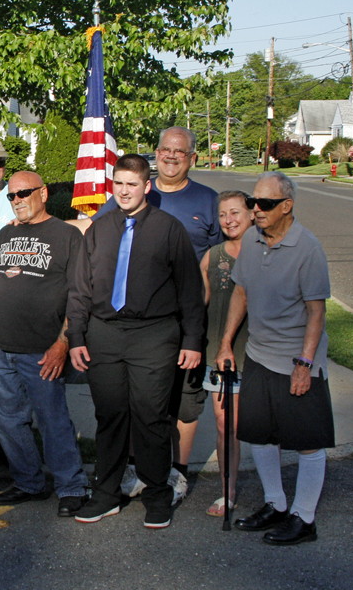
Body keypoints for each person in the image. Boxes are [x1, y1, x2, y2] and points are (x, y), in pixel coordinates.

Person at [69, 154, 205, 530]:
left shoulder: (169, 229)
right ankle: (107, 493)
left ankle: (157, 493)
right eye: (119, 184)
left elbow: (190, 291)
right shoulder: (100, 227)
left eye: (132, 184)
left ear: (147, 186)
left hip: (154, 335)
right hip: (105, 333)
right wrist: (77, 336)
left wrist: (192, 340)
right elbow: (80, 287)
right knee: (110, 416)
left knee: (151, 417)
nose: (124, 191)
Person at [100, 127, 221, 502]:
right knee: (143, 399)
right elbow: (95, 231)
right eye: (166, 150)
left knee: (184, 401)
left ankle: (178, 472)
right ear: (156, 154)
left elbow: (226, 254)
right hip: (146, 325)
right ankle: (139, 468)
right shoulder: (131, 198)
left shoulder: (207, 200)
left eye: (180, 152)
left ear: (192, 158)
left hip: (190, 317)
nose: (171, 156)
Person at [222, 172, 334, 546]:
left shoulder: (308, 248)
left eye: (265, 204)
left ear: (287, 206)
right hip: (258, 353)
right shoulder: (252, 240)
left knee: (306, 441)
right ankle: (276, 503)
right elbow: (241, 293)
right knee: (260, 435)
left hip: (295, 359)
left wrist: (304, 364)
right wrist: (226, 343)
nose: (256, 210)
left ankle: (305, 518)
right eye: (254, 203)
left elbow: (316, 312)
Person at [0, 171, 90, 518]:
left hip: (43, 349)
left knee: (52, 420)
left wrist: (63, 343)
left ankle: (71, 486)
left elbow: (79, 294)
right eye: (11, 196)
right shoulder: (4, 235)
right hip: (4, 349)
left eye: (24, 193)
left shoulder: (66, 235)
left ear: (43, 193)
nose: (17, 200)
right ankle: (29, 482)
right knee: (8, 421)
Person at [199, 190, 253, 516]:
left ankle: (277, 493)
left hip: (260, 353)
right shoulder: (213, 256)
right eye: (222, 215)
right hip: (220, 355)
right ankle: (228, 490)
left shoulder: (265, 252)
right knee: (225, 426)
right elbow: (197, 302)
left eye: (235, 213)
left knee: (261, 425)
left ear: (250, 214)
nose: (229, 220)